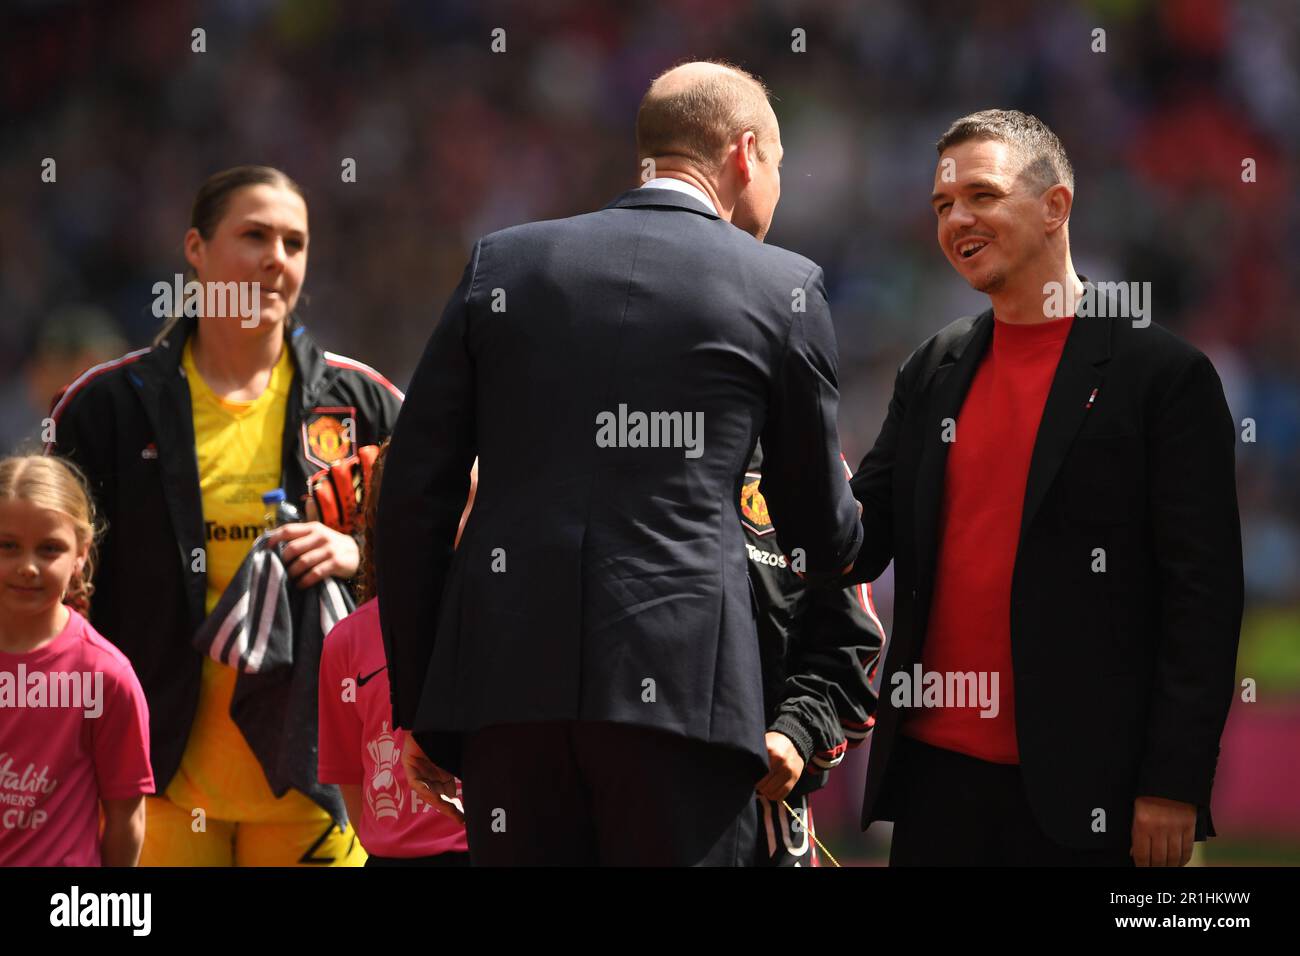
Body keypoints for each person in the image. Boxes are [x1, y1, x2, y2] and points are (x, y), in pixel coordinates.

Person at [378, 60, 863, 866]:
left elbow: (414, 497)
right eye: (778, 163)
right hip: (687, 701)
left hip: (507, 699)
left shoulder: (505, 264)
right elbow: (817, 530)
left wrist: (428, 704)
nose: (777, 186)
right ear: (745, 153)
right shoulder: (784, 288)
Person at [846, 110, 1244, 866]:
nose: (957, 218)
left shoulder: (1161, 376)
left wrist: (1173, 783)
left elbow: (1205, 595)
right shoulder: (933, 367)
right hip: (935, 783)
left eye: (982, 195)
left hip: (1091, 795)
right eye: (941, 205)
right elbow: (863, 540)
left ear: (1056, 206)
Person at [46, 165, 404, 866]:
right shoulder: (108, 407)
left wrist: (360, 556)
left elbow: (449, 547)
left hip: (320, 789)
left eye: (295, 243)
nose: (277, 257)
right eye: (255, 235)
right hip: (156, 789)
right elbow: (45, 578)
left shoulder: (366, 404)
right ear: (195, 249)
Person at [318, 441, 473, 866]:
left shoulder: (513, 623)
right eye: (454, 503)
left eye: (480, 503)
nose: (468, 522)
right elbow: (349, 776)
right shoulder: (346, 641)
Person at [0, 455, 153, 866]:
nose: (27, 567)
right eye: (7, 546)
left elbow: (127, 818)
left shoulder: (104, 675)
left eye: (49, 549)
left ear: (81, 555)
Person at [742, 444, 885, 866]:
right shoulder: (625, 441)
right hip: (631, 795)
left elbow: (849, 642)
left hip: (765, 813)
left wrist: (795, 730)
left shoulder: (802, 454)